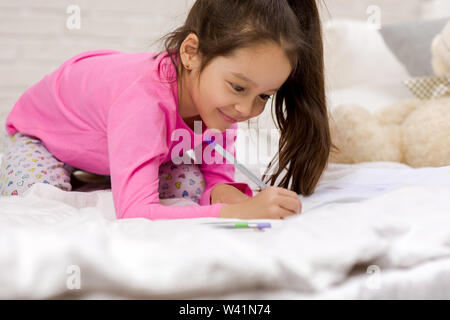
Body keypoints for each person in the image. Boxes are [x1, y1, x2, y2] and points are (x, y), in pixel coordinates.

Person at [0, 0, 335, 220]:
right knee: (32, 201)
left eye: (264, 96)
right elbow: (134, 213)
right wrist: (237, 215)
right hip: (40, 140)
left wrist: (247, 203)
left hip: (106, 147)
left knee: (189, 184)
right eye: (238, 87)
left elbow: (215, 183)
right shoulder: (143, 102)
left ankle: (102, 174)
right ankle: (92, 174)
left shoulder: (222, 109)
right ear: (191, 53)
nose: (247, 108)